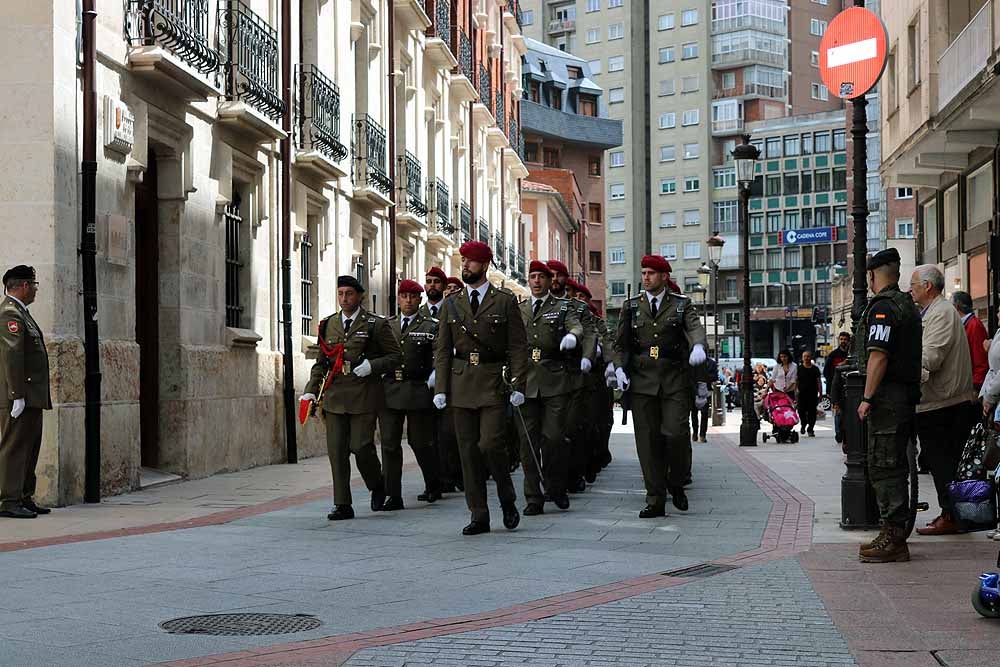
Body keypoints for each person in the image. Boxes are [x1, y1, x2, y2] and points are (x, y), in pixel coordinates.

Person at [433, 241, 529, 536]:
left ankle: (506, 497)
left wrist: (518, 383)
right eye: (463, 261)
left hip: (493, 383)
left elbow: (517, 346)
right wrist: (441, 386)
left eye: (471, 262)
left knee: (490, 444)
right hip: (461, 384)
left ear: (485, 265)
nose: (465, 266)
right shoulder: (452, 303)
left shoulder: (504, 301)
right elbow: (442, 349)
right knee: (468, 452)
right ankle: (479, 514)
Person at [300, 276, 401, 521]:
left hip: (364, 395)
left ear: (360, 296)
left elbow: (396, 357)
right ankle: (343, 504)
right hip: (335, 396)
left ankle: (377, 484)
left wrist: (372, 366)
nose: (344, 299)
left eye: (349, 294)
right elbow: (322, 363)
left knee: (361, 446)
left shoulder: (375, 325)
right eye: (341, 294)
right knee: (336, 451)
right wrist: (311, 389)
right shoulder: (328, 324)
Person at [613, 255, 707, 518]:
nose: (646, 277)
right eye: (643, 272)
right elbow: (620, 343)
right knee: (648, 442)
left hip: (674, 379)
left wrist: (698, 345)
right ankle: (655, 499)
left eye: (651, 273)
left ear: (665, 277)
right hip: (642, 382)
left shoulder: (681, 305)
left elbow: (695, 328)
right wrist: (619, 367)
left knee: (676, 434)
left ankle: (676, 482)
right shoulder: (630, 306)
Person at [855, 248, 922, 563]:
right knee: (895, 465)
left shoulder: (883, 307)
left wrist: (867, 397)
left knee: (884, 466)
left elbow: (878, 355)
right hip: (905, 396)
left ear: (872, 275)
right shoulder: (906, 303)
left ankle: (894, 539)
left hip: (888, 400)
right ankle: (891, 532)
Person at [911, 265, 978, 536]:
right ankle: (954, 514)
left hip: (943, 404)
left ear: (928, 286)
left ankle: (951, 515)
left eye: (914, 284)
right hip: (940, 402)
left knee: (943, 463)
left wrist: (902, 365)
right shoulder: (934, 312)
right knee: (944, 462)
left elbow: (931, 357)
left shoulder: (941, 313)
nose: (911, 289)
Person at [515, 261, 583, 515]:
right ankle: (533, 497)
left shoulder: (562, 307)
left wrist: (572, 336)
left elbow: (576, 325)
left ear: (547, 280)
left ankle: (556, 487)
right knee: (527, 442)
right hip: (525, 382)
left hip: (555, 380)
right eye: (532, 277)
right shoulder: (519, 308)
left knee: (553, 439)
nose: (536, 281)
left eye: (540, 277)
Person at [378, 280, 442, 510]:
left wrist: (436, 376)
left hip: (417, 390)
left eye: (413, 296)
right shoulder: (387, 325)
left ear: (420, 299)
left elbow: (439, 354)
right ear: (398, 298)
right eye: (404, 296)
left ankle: (433, 483)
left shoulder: (431, 326)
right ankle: (392, 495)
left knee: (420, 442)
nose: (407, 300)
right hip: (390, 390)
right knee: (389, 444)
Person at [0, 266, 52, 519]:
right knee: (15, 447)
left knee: (31, 446)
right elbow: (12, 356)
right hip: (19, 395)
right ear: (22, 286)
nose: (35, 290)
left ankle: (24, 496)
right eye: (34, 285)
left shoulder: (22, 313)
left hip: (32, 394)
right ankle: (9, 500)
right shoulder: (10, 313)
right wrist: (16, 395)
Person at [547, 262, 597, 494]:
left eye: (559, 276)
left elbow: (589, 334)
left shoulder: (579, 308)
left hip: (574, 374)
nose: (554, 279)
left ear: (566, 279)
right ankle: (552, 479)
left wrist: (588, 356)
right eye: (551, 275)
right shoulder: (540, 306)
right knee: (550, 432)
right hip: (548, 374)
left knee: (571, 428)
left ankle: (573, 474)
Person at [421, 267, 461, 493]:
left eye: (437, 281)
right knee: (427, 434)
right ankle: (433, 480)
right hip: (423, 382)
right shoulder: (419, 314)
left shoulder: (454, 310)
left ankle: (450, 476)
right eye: (429, 281)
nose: (432, 285)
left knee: (447, 432)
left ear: (444, 286)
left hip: (449, 379)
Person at [953, 291, 989, 392]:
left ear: (956, 306)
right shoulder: (966, 324)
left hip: (972, 387)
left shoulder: (974, 325)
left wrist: (975, 386)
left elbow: (980, 360)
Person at [825, 332, 852, 444]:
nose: (843, 341)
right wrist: (830, 390)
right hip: (837, 387)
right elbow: (827, 372)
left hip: (850, 388)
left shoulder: (851, 354)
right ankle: (838, 433)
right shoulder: (833, 355)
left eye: (845, 339)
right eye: (841, 339)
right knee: (838, 412)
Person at [690, 356, 716, 443]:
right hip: (695, 390)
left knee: (704, 414)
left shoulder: (711, 363)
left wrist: (705, 377)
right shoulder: (693, 362)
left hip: (706, 391)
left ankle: (702, 435)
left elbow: (715, 376)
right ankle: (695, 432)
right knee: (694, 413)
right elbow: (690, 377)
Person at [796, 351, 822, 437]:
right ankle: (803, 424)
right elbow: (796, 381)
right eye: (805, 356)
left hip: (812, 394)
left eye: (808, 356)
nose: (806, 358)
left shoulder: (815, 369)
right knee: (801, 411)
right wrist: (795, 391)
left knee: (812, 412)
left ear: (811, 358)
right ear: (802, 358)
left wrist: (820, 393)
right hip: (802, 394)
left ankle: (810, 428)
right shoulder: (799, 368)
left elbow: (819, 381)